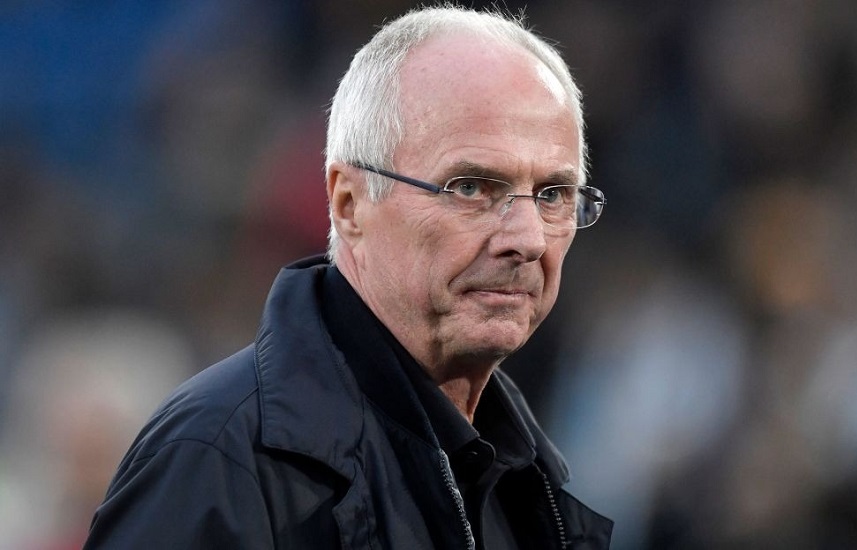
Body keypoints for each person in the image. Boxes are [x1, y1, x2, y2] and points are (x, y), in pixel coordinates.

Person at [83, 6, 612, 549]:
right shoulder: (213, 461)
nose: (528, 239)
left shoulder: (527, 485)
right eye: (471, 188)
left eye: (554, 194)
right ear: (349, 204)